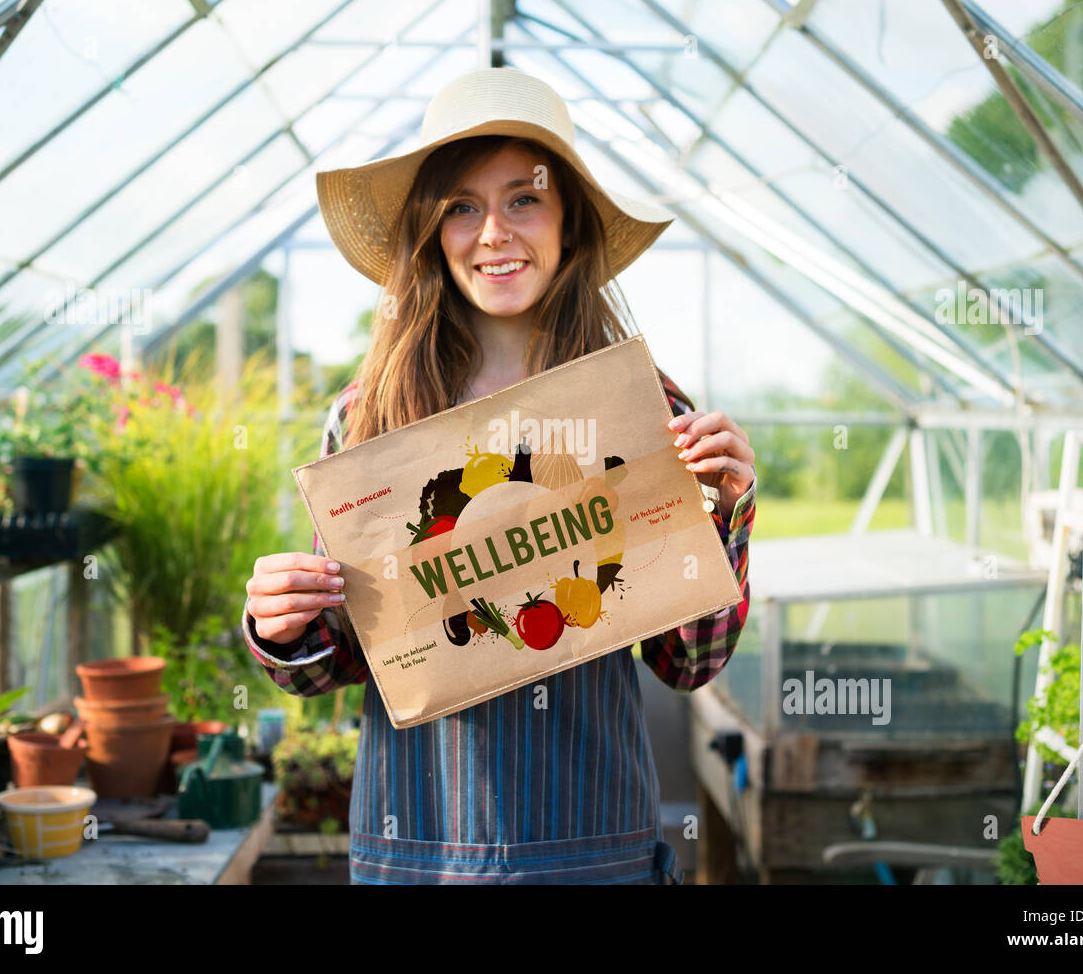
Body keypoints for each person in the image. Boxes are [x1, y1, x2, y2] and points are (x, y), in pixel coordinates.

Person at [242, 67, 756, 884]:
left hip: (593, 844)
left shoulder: (646, 411)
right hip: (417, 844)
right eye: (461, 207)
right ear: (430, 230)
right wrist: (282, 622)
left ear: (568, 223)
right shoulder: (369, 415)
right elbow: (343, 655)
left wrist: (726, 515)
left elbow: (685, 663)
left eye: (525, 198)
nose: (493, 233)